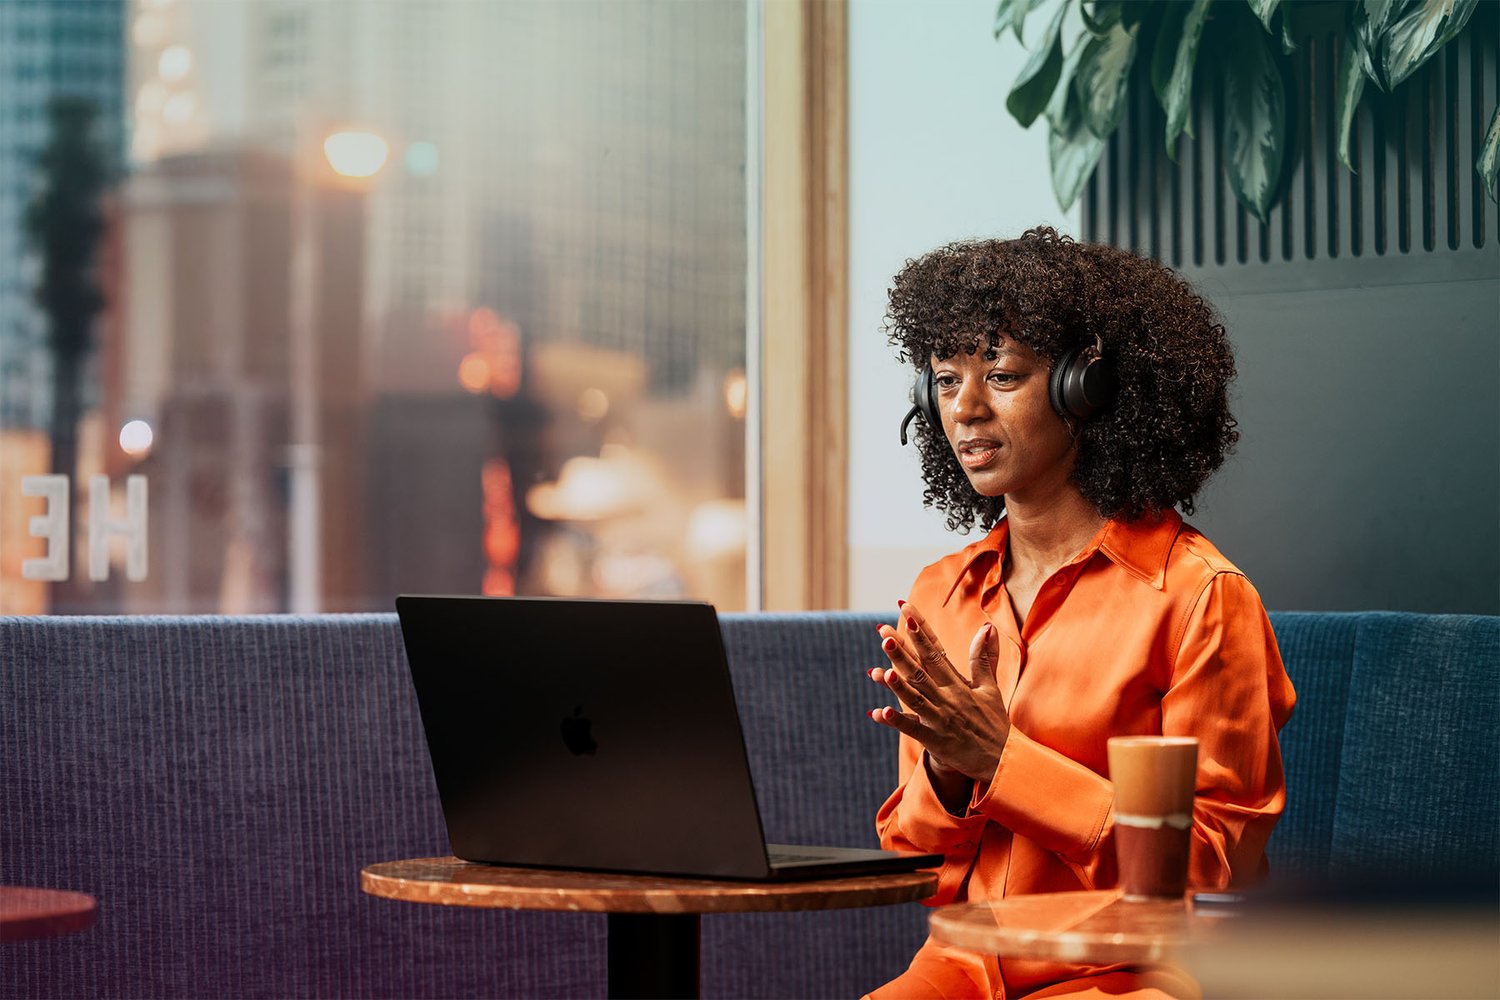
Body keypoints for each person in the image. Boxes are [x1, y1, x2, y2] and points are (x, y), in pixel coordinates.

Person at [865, 226, 1295, 1000]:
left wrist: (1004, 761)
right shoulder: (941, 595)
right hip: (960, 970)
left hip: (1132, 978)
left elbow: (1203, 873)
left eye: (999, 375)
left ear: (1082, 389)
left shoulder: (1199, 597)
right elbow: (915, 862)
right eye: (944, 380)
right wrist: (952, 771)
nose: (963, 408)